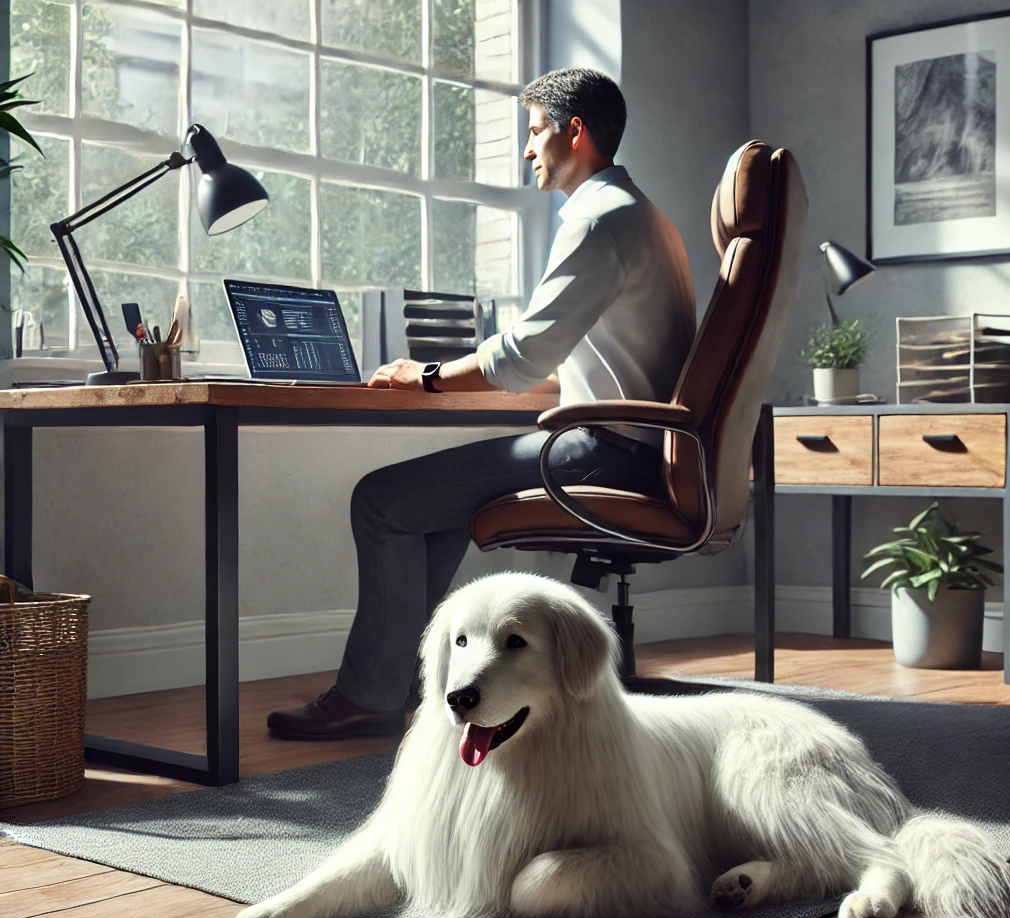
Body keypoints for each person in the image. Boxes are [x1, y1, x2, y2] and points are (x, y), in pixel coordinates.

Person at [267, 67, 696, 740]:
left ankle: (373, 695)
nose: (528, 150)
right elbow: (600, 364)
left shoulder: (599, 219)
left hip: (605, 452)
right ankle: (405, 687)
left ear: (573, 131)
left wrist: (428, 373)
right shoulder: (648, 219)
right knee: (422, 508)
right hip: (638, 446)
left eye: (533, 132)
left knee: (380, 500)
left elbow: (524, 353)